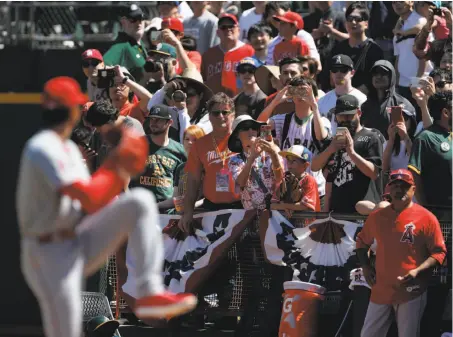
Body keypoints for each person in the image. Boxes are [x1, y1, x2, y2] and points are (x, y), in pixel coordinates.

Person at [16, 76, 197, 337]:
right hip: (48, 253)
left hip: (76, 241)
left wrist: (118, 167)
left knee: (139, 201)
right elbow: (88, 197)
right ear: (69, 112)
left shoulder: (67, 149)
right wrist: (117, 165)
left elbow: (97, 198)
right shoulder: (44, 147)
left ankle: (148, 293)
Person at [356, 169, 447, 337]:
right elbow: (361, 242)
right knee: (368, 334)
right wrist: (366, 267)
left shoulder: (426, 217)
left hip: (412, 290)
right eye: (395, 185)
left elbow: (439, 253)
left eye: (404, 186)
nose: (399, 190)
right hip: (381, 289)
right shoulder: (377, 216)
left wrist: (418, 271)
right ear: (389, 189)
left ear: (413, 189)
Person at [257, 76, 330, 208]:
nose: (301, 95)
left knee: (312, 228)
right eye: (296, 91)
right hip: (288, 188)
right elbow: (258, 126)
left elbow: (321, 137)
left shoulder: (321, 120)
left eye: (305, 91)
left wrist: (314, 105)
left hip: (315, 188)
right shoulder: (283, 119)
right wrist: (275, 102)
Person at [178, 93, 241, 233]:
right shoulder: (200, 144)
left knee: (243, 254)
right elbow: (193, 181)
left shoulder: (243, 140)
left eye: (225, 112)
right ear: (209, 116)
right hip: (211, 208)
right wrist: (188, 212)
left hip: (241, 207)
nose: (220, 116)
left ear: (233, 114)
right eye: (215, 113)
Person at [311, 94, 385, 213]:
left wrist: (351, 152)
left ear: (359, 113)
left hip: (362, 211)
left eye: (349, 116)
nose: (345, 119)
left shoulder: (371, 137)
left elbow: (374, 173)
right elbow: (314, 167)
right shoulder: (333, 141)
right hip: (337, 212)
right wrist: (330, 149)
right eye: (341, 116)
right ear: (336, 117)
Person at [130, 104, 187, 203]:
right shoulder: (137, 145)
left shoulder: (180, 150)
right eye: (152, 119)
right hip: (140, 205)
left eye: (158, 120)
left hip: (167, 208)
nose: (153, 123)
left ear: (170, 122)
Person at [228, 115, 284, 211]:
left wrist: (274, 154)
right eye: (245, 128)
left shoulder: (272, 151)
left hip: (277, 213)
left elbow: (280, 178)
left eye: (254, 127)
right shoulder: (234, 160)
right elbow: (241, 183)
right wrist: (252, 157)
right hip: (252, 216)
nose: (251, 130)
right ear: (237, 135)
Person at [408, 92, 452, 207]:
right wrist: (425, 209)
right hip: (440, 213)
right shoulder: (426, 137)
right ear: (446, 113)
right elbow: (414, 175)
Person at [330, 3, 384, 94]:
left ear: (366, 24)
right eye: (350, 19)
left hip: (365, 100)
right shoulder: (338, 49)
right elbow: (332, 79)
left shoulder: (374, 50)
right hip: (341, 98)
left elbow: (377, 80)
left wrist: (354, 93)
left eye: (358, 19)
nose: (353, 22)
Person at [201, 13, 255, 96]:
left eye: (231, 26)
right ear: (218, 32)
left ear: (239, 30)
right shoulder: (208, 54)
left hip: (240, 103)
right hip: (213, 104)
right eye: (223, 27)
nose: (228, 29)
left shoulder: (250, 51)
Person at [361, 60, 417, 139]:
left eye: (383, 73)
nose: (378, 76)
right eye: (375, 73)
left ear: (392, 77)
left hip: (394, 149)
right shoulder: (364, 104)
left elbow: (407, 135)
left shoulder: (401, 104)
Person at [392, 0, 432, 107]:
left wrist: (418, 80)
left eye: (400, 1)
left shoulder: (419, 20)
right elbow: (398, 57)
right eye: (394, 2)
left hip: (420, 82)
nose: (397, 4)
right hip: (403, 84)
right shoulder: (398, 27)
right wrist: (396, 82)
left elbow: (424, 55)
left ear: (411, 2)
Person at [157, 125, 206, 211]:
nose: (190, 143)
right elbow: (175, 199)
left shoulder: (208, 166)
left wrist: (191, 206)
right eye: (187, 139)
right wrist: (154, 206)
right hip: (180, 216)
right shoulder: (180, 168)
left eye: (195, 140)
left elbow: (211, 198)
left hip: (202, 215)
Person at [317, 54, 367, 133]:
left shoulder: (362, 99)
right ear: (331, 73)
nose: (338, 73)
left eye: (343, 70)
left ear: (352, 73)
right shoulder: (322, 101)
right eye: (335, 70)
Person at [272, 145, 321, 218]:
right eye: (288, 160)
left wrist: (283, 206)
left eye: (294, 161)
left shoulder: (309, 180)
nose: (289, 164)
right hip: (288, 224)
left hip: (308, 226)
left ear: (305, 165)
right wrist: (286, 207)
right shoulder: (285, 178)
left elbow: (305, 206)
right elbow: (273, 205)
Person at [103, 4, 148, 83]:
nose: (138, 23)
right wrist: (120, 77)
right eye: (133, 19)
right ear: (123, 22)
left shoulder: (139, 44)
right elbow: (101, 73)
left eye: (141, 18)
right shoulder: (120, 46)